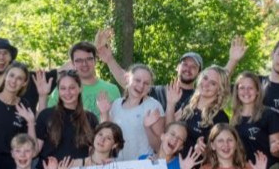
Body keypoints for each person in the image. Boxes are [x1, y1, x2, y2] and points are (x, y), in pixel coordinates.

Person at [97, 29, 246, 112]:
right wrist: (109, 60)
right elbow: (128, 82)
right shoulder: (159, 92)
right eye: (185, 64)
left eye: (193, 66)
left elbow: (218, 80)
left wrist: (232, 61)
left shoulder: (199, 97)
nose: (188, 69)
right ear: (177, 67)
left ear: (199, 74)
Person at [98, 63, 164, 161]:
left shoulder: (153, 106)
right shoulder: (116, 104)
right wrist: (104, 113)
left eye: (146, 83)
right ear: (127, 78)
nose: (141, 86)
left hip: (143, 166)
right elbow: (104, 135)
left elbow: (159, 147)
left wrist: (147, 128)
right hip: (117, 165)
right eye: (137, 80)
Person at [35, 70, 99, 165]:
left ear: (80, 88)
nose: (67, 92)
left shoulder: (90, 118)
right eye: (63, 88)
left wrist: (104, 114)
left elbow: (95, 151)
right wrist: (42, 96)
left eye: (72, 88)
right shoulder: (46, 115)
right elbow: (35, 151)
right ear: (58, 90)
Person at [166, 65, 230, 155]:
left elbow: (218, 152)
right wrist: (171, 104)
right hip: (172, 158)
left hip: (191, 163)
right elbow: (169, 129)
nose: (206, 84)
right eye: (205, 78)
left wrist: (203, 149)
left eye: (213, 83)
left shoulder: (220, 118)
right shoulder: (190, 102)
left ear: (220, 89)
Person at [47, 41, 120, 118]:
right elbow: (48, 120)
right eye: (79, 60)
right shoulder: (62, 91)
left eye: (89, 59)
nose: (84, 64)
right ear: (73, 64)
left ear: (95, 61)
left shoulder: (112, 89)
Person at [231, 71, 279, 165]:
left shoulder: (270, 115)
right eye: (242, 88)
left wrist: (276, 149)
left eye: (250, 88)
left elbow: (277, 152)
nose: (246, 91)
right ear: (237, 92)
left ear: (257, 91)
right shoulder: (235, 117)